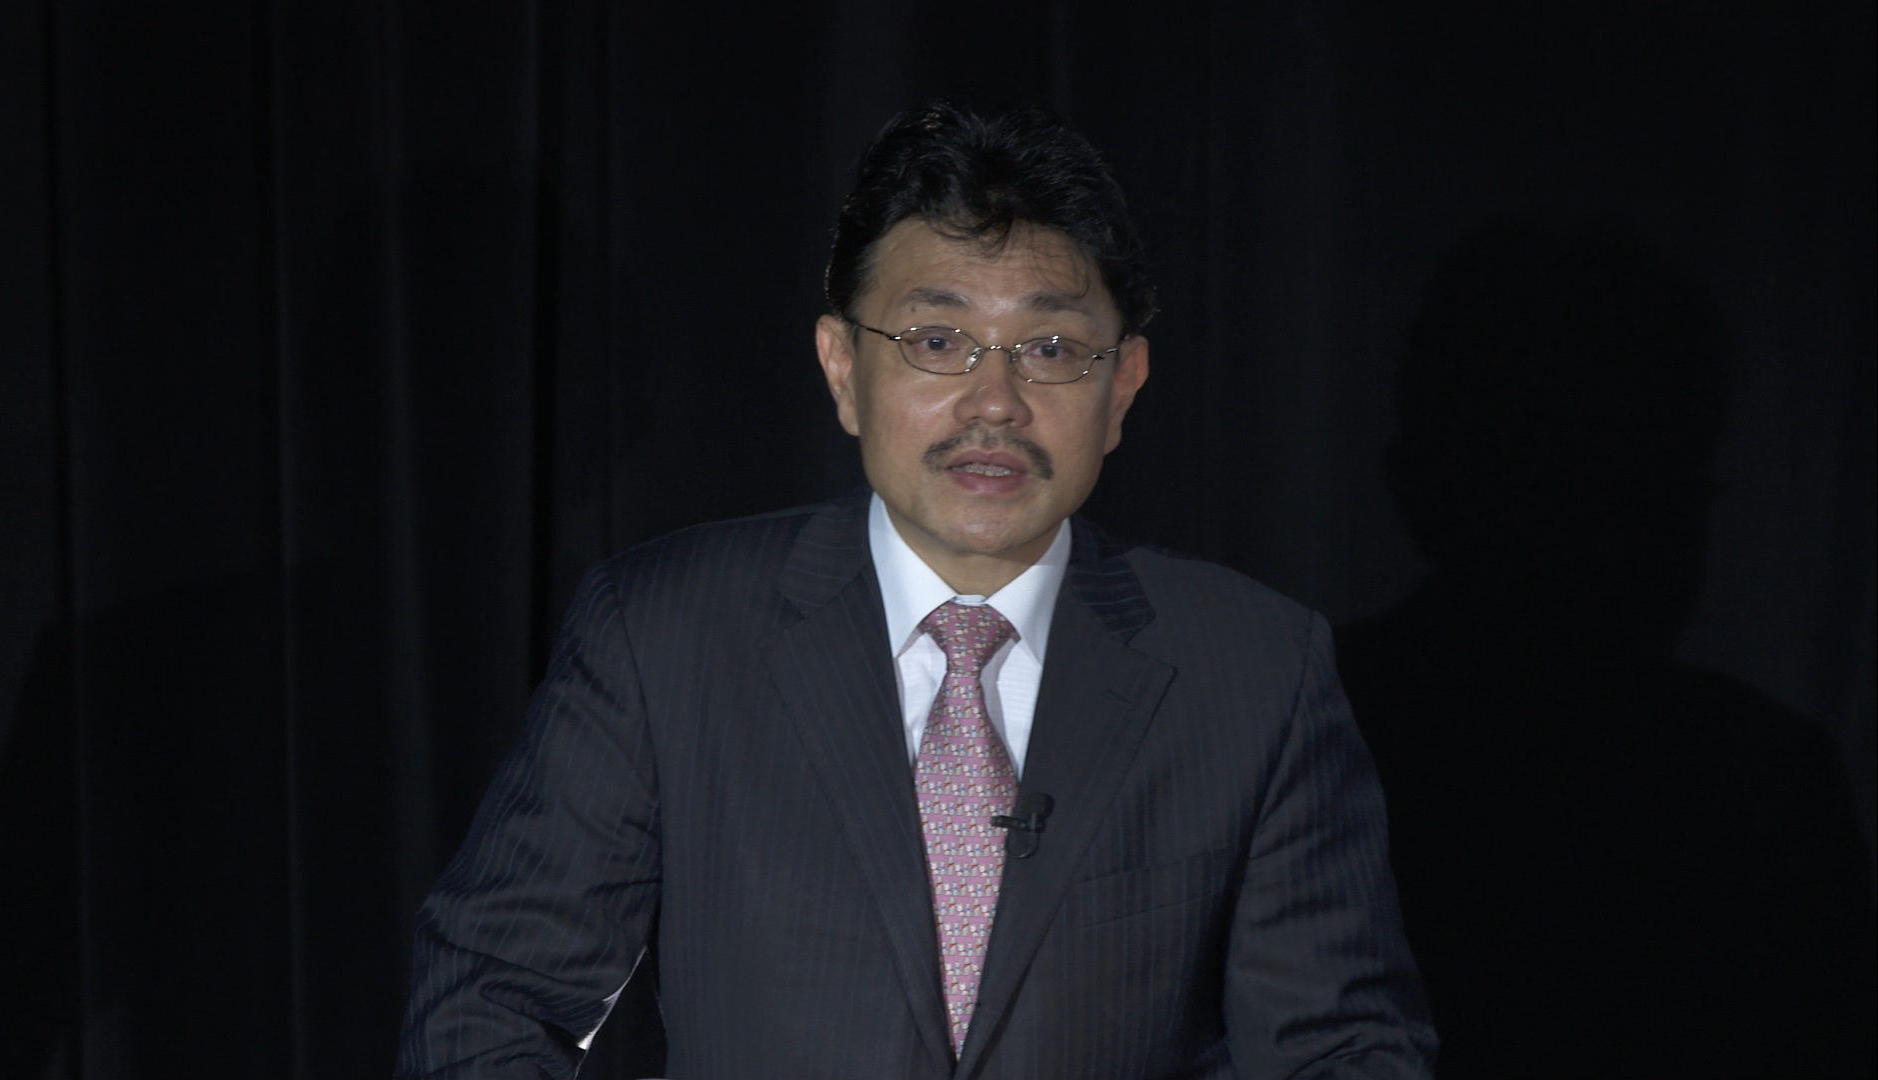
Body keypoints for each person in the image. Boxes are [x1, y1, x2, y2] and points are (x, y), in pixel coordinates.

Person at [397, 100, 1435, 1079]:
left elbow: (1341, 1052)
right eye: (938, 342)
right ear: (842, 368)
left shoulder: (1256, 673)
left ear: (1123, 387)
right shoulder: (663, 634)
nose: (996, 401)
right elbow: (488, 1004)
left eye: (1052, 349)